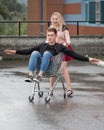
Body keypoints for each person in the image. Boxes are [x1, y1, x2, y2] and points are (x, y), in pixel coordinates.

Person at [4, 27, 99, 85]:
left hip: (51, 67)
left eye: (52, 35)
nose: (49, 37)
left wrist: (89, 59)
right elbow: (28, 51)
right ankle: (30, 75)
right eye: (48, 35)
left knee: (46, 53)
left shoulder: (60, 47)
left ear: (56, 35)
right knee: (34, 53)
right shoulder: (42, 45)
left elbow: (73, 54)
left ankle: (40, 75)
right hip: (41, 65)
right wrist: (13, 51)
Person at [47, 12, 73, 96]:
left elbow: (68, 40)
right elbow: (47, 39)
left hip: (64, 49)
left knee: (63, 67)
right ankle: (50, 88)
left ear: (60, 19)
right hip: (54, 50)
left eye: (56, 19)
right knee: (53, 67)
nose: (54, 20)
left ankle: (69, 89)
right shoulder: (51, 28)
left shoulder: (64, 28)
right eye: (53, 19)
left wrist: (64, 44)